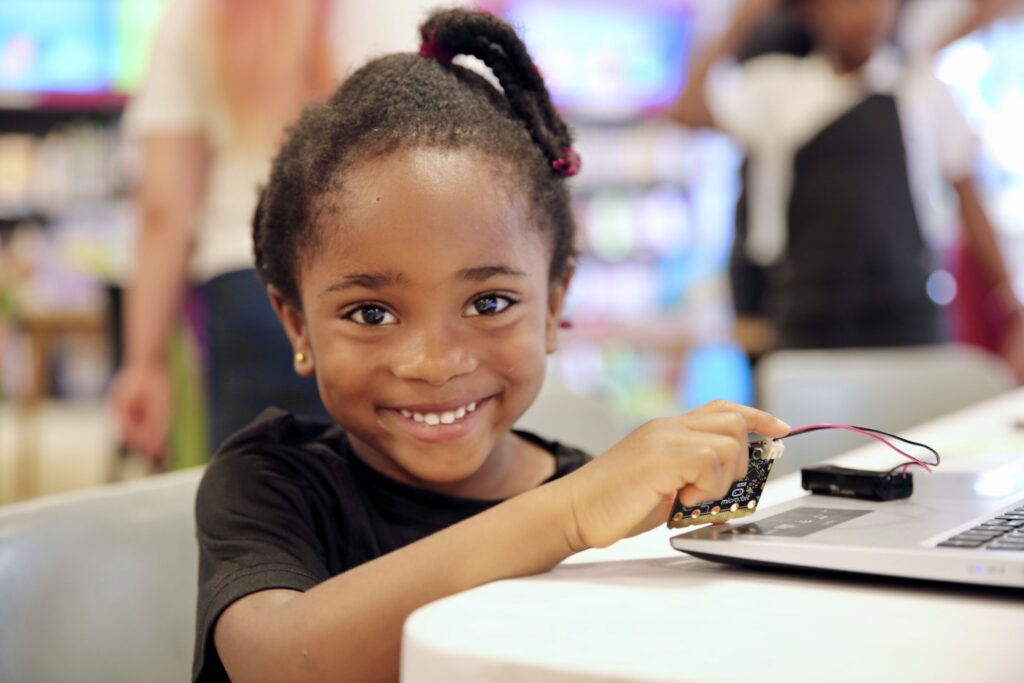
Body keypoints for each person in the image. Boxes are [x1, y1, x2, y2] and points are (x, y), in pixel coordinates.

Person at [192, 9, 791, 683]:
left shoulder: (603, 510)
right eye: (371, 312)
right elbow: (277, 662)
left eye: (489, 303)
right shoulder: (271, 483)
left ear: (553, 306)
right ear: (298, 326)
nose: (435, 362)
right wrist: (569, 513)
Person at [668, 0, 1024, 377]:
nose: (866, 14)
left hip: (909, 313)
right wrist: (743, 16)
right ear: (811, 12)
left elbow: (970, 199)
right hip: (809, 315)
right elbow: (687, 111)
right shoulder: (779, 91)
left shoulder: (921, 88)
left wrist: (1012, 307)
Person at [110, 0, 339, 465]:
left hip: (248, 292)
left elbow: (165, 210)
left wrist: (144, 364)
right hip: (372, 292)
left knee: (260, 500)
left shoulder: (192, 18)